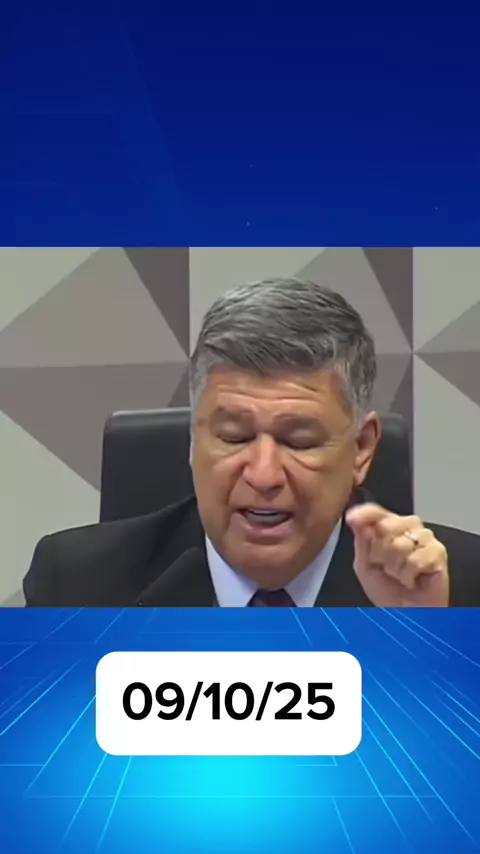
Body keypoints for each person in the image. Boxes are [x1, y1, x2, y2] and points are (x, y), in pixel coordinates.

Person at [24, 278, 480, 607]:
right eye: (234, 437)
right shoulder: (79, 585)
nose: (263, 475)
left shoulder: (457, 589)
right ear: (193, 439)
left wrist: (419, 641)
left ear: (361, 448)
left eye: (299, 441)